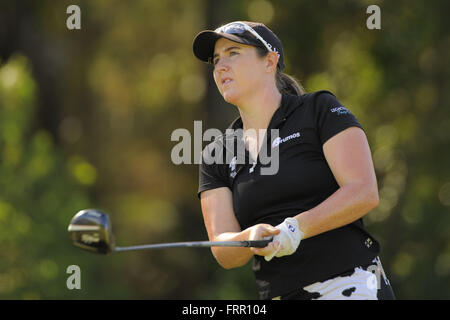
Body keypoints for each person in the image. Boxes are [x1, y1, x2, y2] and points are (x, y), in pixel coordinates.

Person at [192, 21, 395, 300]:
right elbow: (223, 250)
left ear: (270, 62)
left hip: (350, 283)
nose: (220, 66)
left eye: (233, 53)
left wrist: (295, 228)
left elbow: (364, 192)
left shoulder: (318, 110)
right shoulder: (217, 152)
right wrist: (249, 236)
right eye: (216, 60)